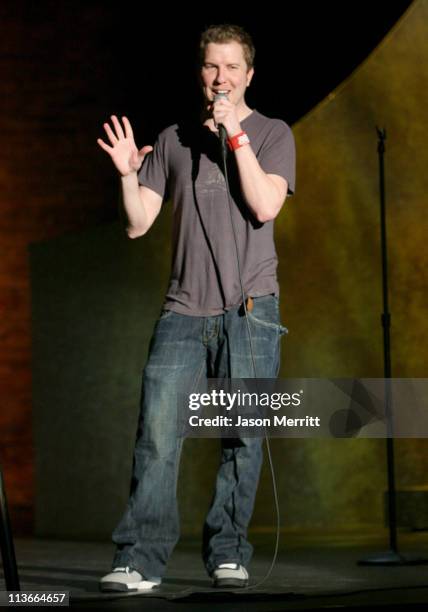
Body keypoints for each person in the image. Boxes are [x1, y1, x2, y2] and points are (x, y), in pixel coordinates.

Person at [97, 23, 295, 592]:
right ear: (200, 73)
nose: (221, 78)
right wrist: (129, 178)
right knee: (157, 436)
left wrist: (235, 135)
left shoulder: (274, 134)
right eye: (212, 67)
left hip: (253, 313)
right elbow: (137, 224)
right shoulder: (173, 138)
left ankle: (229, 552)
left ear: (249, 74)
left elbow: (263, 205)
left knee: (243, 438)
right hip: (184, 311)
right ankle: (139, 560)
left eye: (232, 67)